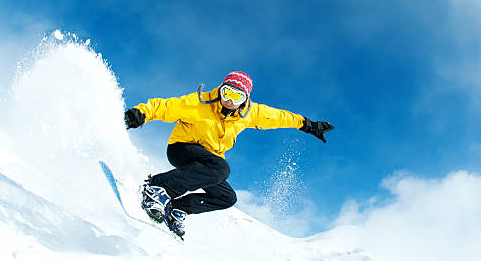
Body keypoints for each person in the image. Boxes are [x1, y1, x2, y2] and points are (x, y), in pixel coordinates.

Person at [124, 71, 333, 239]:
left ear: (245, 99)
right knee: (221, 168)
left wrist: (307, 125)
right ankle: (158, 187)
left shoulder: (250, 114)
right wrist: (140, 114)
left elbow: (278, 117)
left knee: (227, 197)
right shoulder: (200, 103)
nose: (229, 101)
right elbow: (165, 106)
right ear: (220, 90)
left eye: (237, 96)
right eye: (227, 93)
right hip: (182, 148)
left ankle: (177, 208)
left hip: (208, 163)